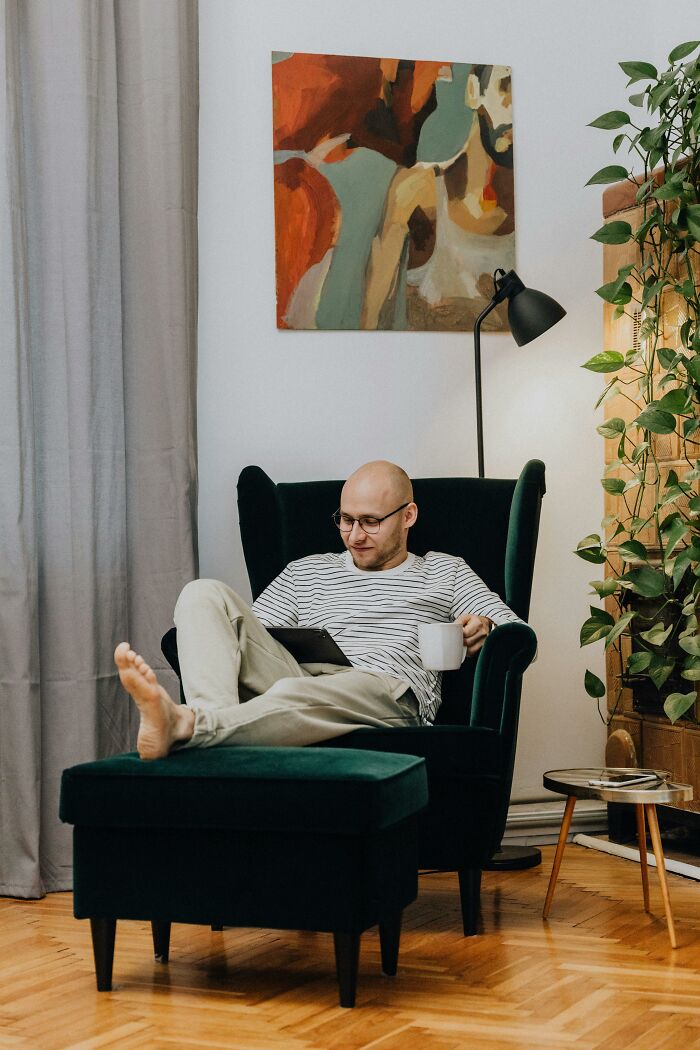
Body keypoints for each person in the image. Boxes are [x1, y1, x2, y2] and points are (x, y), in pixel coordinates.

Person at [115, 460, 521, 760]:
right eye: (345, 520)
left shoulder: (444, 570)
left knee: (308, 690)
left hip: (386, 692)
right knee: (202, 593)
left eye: (370, 522)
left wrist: (485, 626)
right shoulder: (305, 571)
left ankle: (188, 727)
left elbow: (520, 637)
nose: (355, 536)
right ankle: (211, 731)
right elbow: (249, 643)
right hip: (300, 679)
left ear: (408, 516)